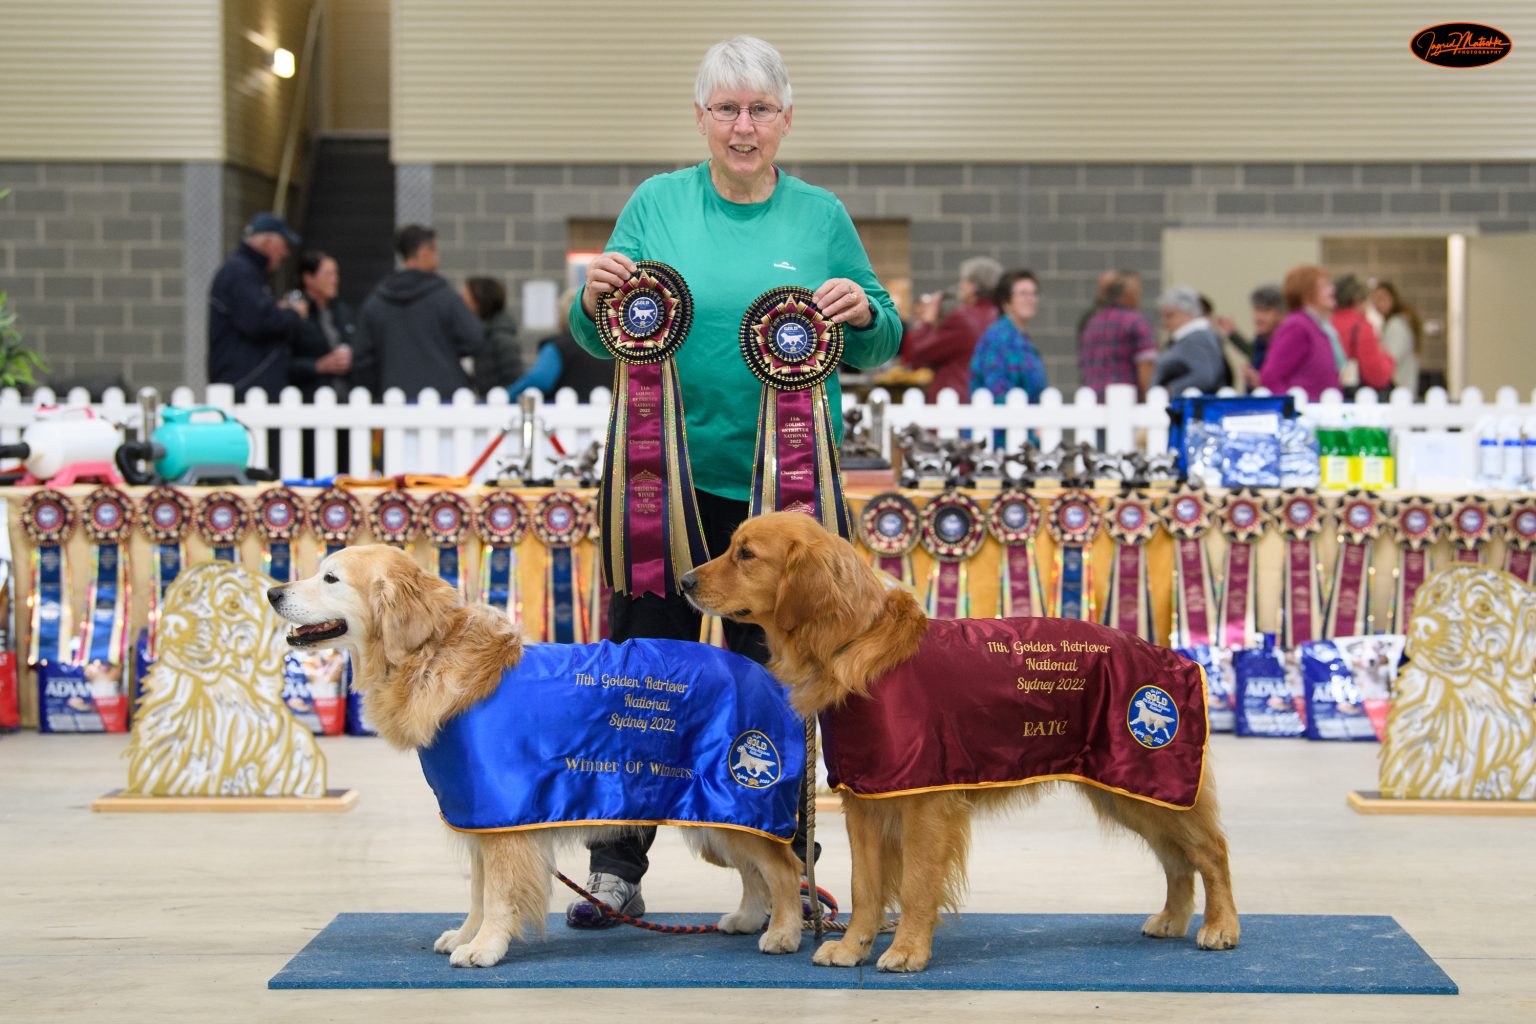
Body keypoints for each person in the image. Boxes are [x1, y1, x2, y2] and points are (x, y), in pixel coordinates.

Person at [564, 36, 901, 927]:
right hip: (660, 494)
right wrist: (593, 297)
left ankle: (785, 869)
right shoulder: (655, 203)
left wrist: (867, 310)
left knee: (776, 687)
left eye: (759, 110)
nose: (742, 126)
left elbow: (881, 340)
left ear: (786, 119)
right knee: (643, 676)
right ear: (702, 119)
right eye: (726, 109)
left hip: (786, 509)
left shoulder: (821, 215)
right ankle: (615, 868)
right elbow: (599, 335)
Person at [352, 224, 484, 398]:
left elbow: (362, 360)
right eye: (434, 249)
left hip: (394, 398)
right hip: (444, 398)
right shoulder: (444, 297)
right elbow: (475, 339)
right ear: (425, 251)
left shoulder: (376, 302)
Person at [207, 212, 306, 400]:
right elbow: (259, 320)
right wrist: (293, 314)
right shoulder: (240, 272)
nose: (285, 253)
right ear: (267, 242)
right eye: (283, 245)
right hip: (246, 384)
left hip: (248, 383)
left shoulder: (245, 271)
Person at [901, 256, 1002, 400]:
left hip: (955, 402)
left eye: (963, 281)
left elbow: (915, 354)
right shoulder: (999, 317)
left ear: (971, 286)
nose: (960, 286)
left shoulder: (963, 318)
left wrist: (927, 321)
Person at [507, 288, 614, 401]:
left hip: (565, 416)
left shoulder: (557, 347)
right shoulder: (615, 346)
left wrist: (507, 396)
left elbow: (540, 380)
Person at [1259, 264, 1343, 399]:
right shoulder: (1297, 327)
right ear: (1307, 292)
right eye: (1324, 286)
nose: (1332, 290)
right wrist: (1293, 409)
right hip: (1305, 415)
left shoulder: (1314, 325)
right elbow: (1270, 376)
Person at [969, 270, 1048, 402]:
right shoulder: (997, 338)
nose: (1030, 299)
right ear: (1006, 301)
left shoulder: (1023, 339)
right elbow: (997, 390)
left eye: (1034, 293)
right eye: (1023, 293)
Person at [1078, 270, 1156, 397]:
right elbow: (1146, 367)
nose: (1140, 295)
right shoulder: (1135, 321)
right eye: (1138, 291)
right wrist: (1148, 399)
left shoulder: (1093, 321)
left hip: (1093, 400)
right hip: (1125, 402)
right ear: (1128, 293)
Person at [290, 251, 355, 399]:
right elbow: (284, 362)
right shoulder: (295, 315)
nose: (334, 280)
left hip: (345, 397)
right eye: (328, 274)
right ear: (308, 278)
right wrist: (317, 366)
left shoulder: (343, 312)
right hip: (309, 398)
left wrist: (351, 358)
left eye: (335, 274)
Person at [1152, 287, 1229, 395]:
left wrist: (1169, 390)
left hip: (1188, 406)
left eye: (1170, 316)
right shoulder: (1186, 338)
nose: (1164, 322)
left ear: (1189, 313)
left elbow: (1204, 376)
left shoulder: (1196, 338)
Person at [1330, 274, 1394, 393]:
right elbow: (1377, 377)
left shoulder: (1327, 324)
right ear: (1358, 301)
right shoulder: (1361, 327)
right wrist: (1388, 360)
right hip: (1356, 396)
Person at [462, 277, 523, 397]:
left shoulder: (501, 338)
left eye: (466, 298)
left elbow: (514, 380)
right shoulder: (478, 335)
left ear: (479, 301)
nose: (462, 304)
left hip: (496, 409)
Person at [1371, 280, 1421, 394]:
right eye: (1376, 299)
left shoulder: (1396, 325)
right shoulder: (1388, 324)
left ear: (1393, 299)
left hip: (1399, 388)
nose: (1379, 303)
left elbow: (1391, 359)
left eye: (1382, 299)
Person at [1229, 284, 1283, 388]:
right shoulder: (1260, 340)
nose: (1259, 317)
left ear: (1282, 313)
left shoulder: (1286, 343)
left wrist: (1262, 382)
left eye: (1266, 311)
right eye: (1256, 310)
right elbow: (1250, 351)